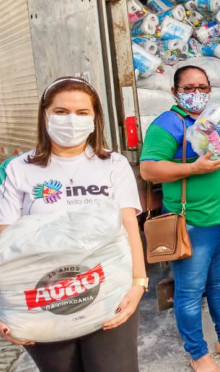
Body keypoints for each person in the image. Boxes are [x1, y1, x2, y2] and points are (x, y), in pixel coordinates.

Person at [0, 77, 146, 372]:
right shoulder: (19, 169)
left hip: (106, 294)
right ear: (45, 115)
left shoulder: (113, 164)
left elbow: (129, 225)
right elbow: (5, 239)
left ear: (95, 119)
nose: (71, 121)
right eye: (61, 112)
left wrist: (138, 284)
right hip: (45, 300)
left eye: (82, 113)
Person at [140, 66, 220, 372]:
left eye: (203, 87)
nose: (197, 94)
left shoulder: (218, 119)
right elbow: (149, 169)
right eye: (189, 88)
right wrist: (193, 169)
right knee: (190, 292)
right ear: (175, 92)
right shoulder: (169, 124)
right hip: (192, 223)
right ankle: (198, 354)